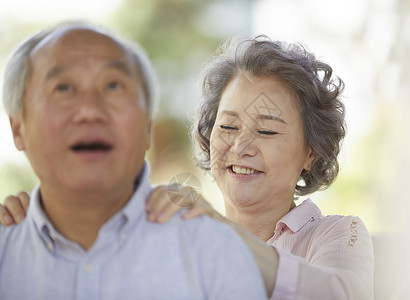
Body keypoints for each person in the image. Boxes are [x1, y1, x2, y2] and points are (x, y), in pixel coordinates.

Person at [1, 35, 374, 299]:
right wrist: (34, 223)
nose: (241, 146)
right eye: (227, 126)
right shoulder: (176, 226)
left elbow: (342, 295)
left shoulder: (334, 234)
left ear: (310, 152)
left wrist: (218, 232)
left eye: (266, 129)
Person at [0, 22, 268, 300]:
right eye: (63, 88)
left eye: (113, 85)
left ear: (147, 128)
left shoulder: (214, 254)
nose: (90, 110)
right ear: (18, 128)